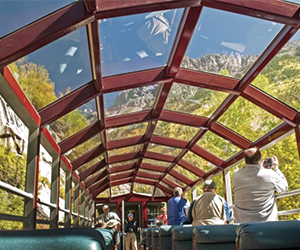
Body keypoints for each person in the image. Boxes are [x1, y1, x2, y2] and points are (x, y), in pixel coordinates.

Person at [233, 147, 288, 223]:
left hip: (243, 225)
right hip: (267, 224)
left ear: (245, 160)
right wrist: (276, 168)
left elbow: (249, 175)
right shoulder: (270, 174)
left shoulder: (236, 176)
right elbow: (284, 187)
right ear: (260, 159)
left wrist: (260, 167)